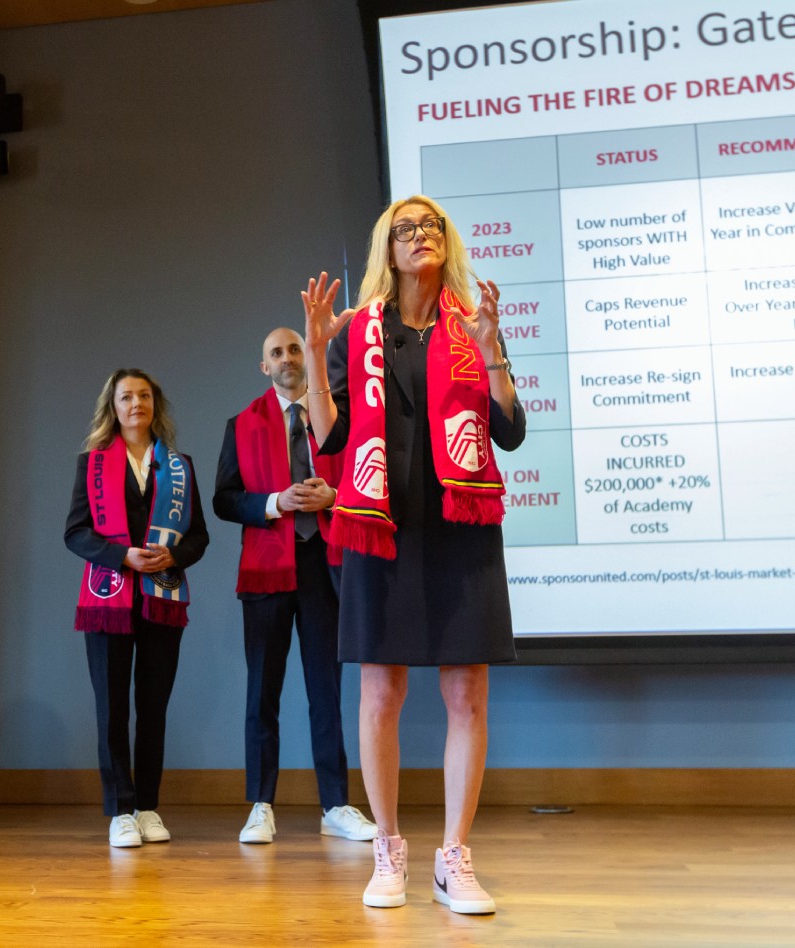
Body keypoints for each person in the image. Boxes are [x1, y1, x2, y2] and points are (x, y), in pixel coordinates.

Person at [301, 196, 526, 913]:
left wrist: (492, 354)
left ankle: (455, 857)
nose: (421, 235)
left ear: (445, 244)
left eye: (432, 226)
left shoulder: (471, 323)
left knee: (467, 693)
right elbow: (330, 437)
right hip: (379, 524)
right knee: (380, 692)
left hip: (460, 525)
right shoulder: (356, 332)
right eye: (406, 228)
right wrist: (312, 353)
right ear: (387, 250)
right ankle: (388, 849)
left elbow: (511, 430)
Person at [213, 327, 376, 845]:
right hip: (266, 570)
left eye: (293, 348)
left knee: (326, 690)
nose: (286, 358)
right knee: (262, 692)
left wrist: (335, 497)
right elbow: (224, 499)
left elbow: (366, 481)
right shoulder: (241, 424)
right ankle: (261, 805)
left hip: (325, 566)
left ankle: (336, 804)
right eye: (275, 352)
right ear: (265, 367)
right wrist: (272, 503)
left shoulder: (337, 421)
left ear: (307, 356)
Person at [64, 369, 209, 848]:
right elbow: (76, 532)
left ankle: (147, 806)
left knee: (153, 707)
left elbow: (199, 536)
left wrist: (175, 555)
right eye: (126, 396)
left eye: (144, 396)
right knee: (111, 708)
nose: (135, 404)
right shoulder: (92, 464)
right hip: (108, 598)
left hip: (162, 598)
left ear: (155, 404)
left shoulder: (180, 466)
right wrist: (120, 555)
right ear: (114, 406)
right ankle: (120, 810)